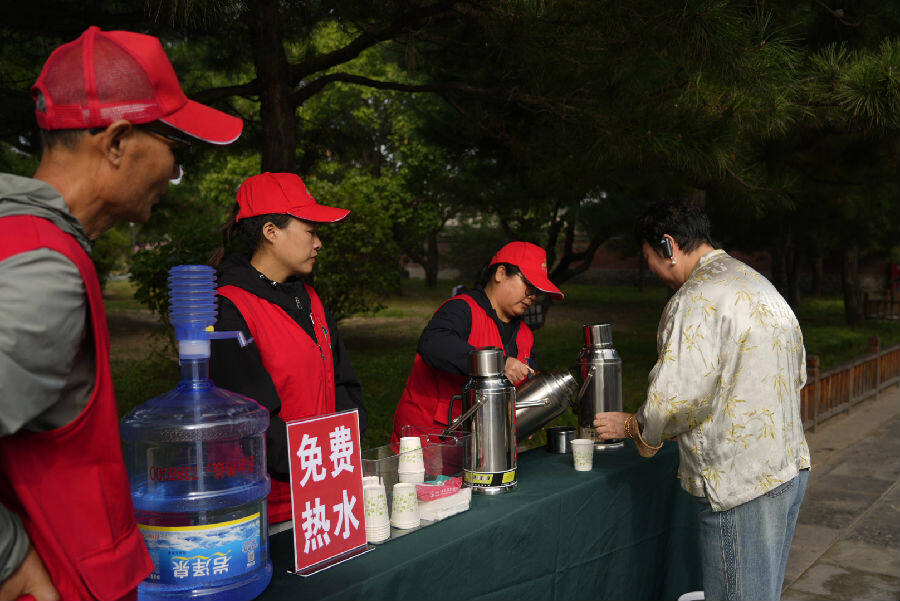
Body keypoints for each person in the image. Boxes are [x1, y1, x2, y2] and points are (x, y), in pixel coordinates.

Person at [0, 26, 243, 601]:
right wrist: (9, 558)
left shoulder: (19, 238)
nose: (173, 177)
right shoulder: (44, 272)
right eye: (174, 154)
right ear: (116, 142)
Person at [593, 198, 810, 601]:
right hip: (788, 467)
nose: (652, 270)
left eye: (648, 258)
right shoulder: (756, 283)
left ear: (668, 246)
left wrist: (633, 426)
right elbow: (798, 373)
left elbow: (672, 401)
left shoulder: (696, 298)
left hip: (740, 482)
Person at [209, 172, 366, 526]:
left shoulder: (309, 298)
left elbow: (343, 383)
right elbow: (249, 420)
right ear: (271, 232)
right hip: (271, 507)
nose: (319, 243)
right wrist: (318, 461)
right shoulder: (228, 309)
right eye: (310, 231)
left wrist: (343, 448)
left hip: (328, 491)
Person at [392, 241, 563, 442]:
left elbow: (522, 393)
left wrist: (529, 415)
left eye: (538, 292)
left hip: (484, 447)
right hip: (429, 441)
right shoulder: (462, 309)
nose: (533, 296)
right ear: (500, 273)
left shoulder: (526, 336)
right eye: (528, 286)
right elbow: (432, 343)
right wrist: (497, 364)